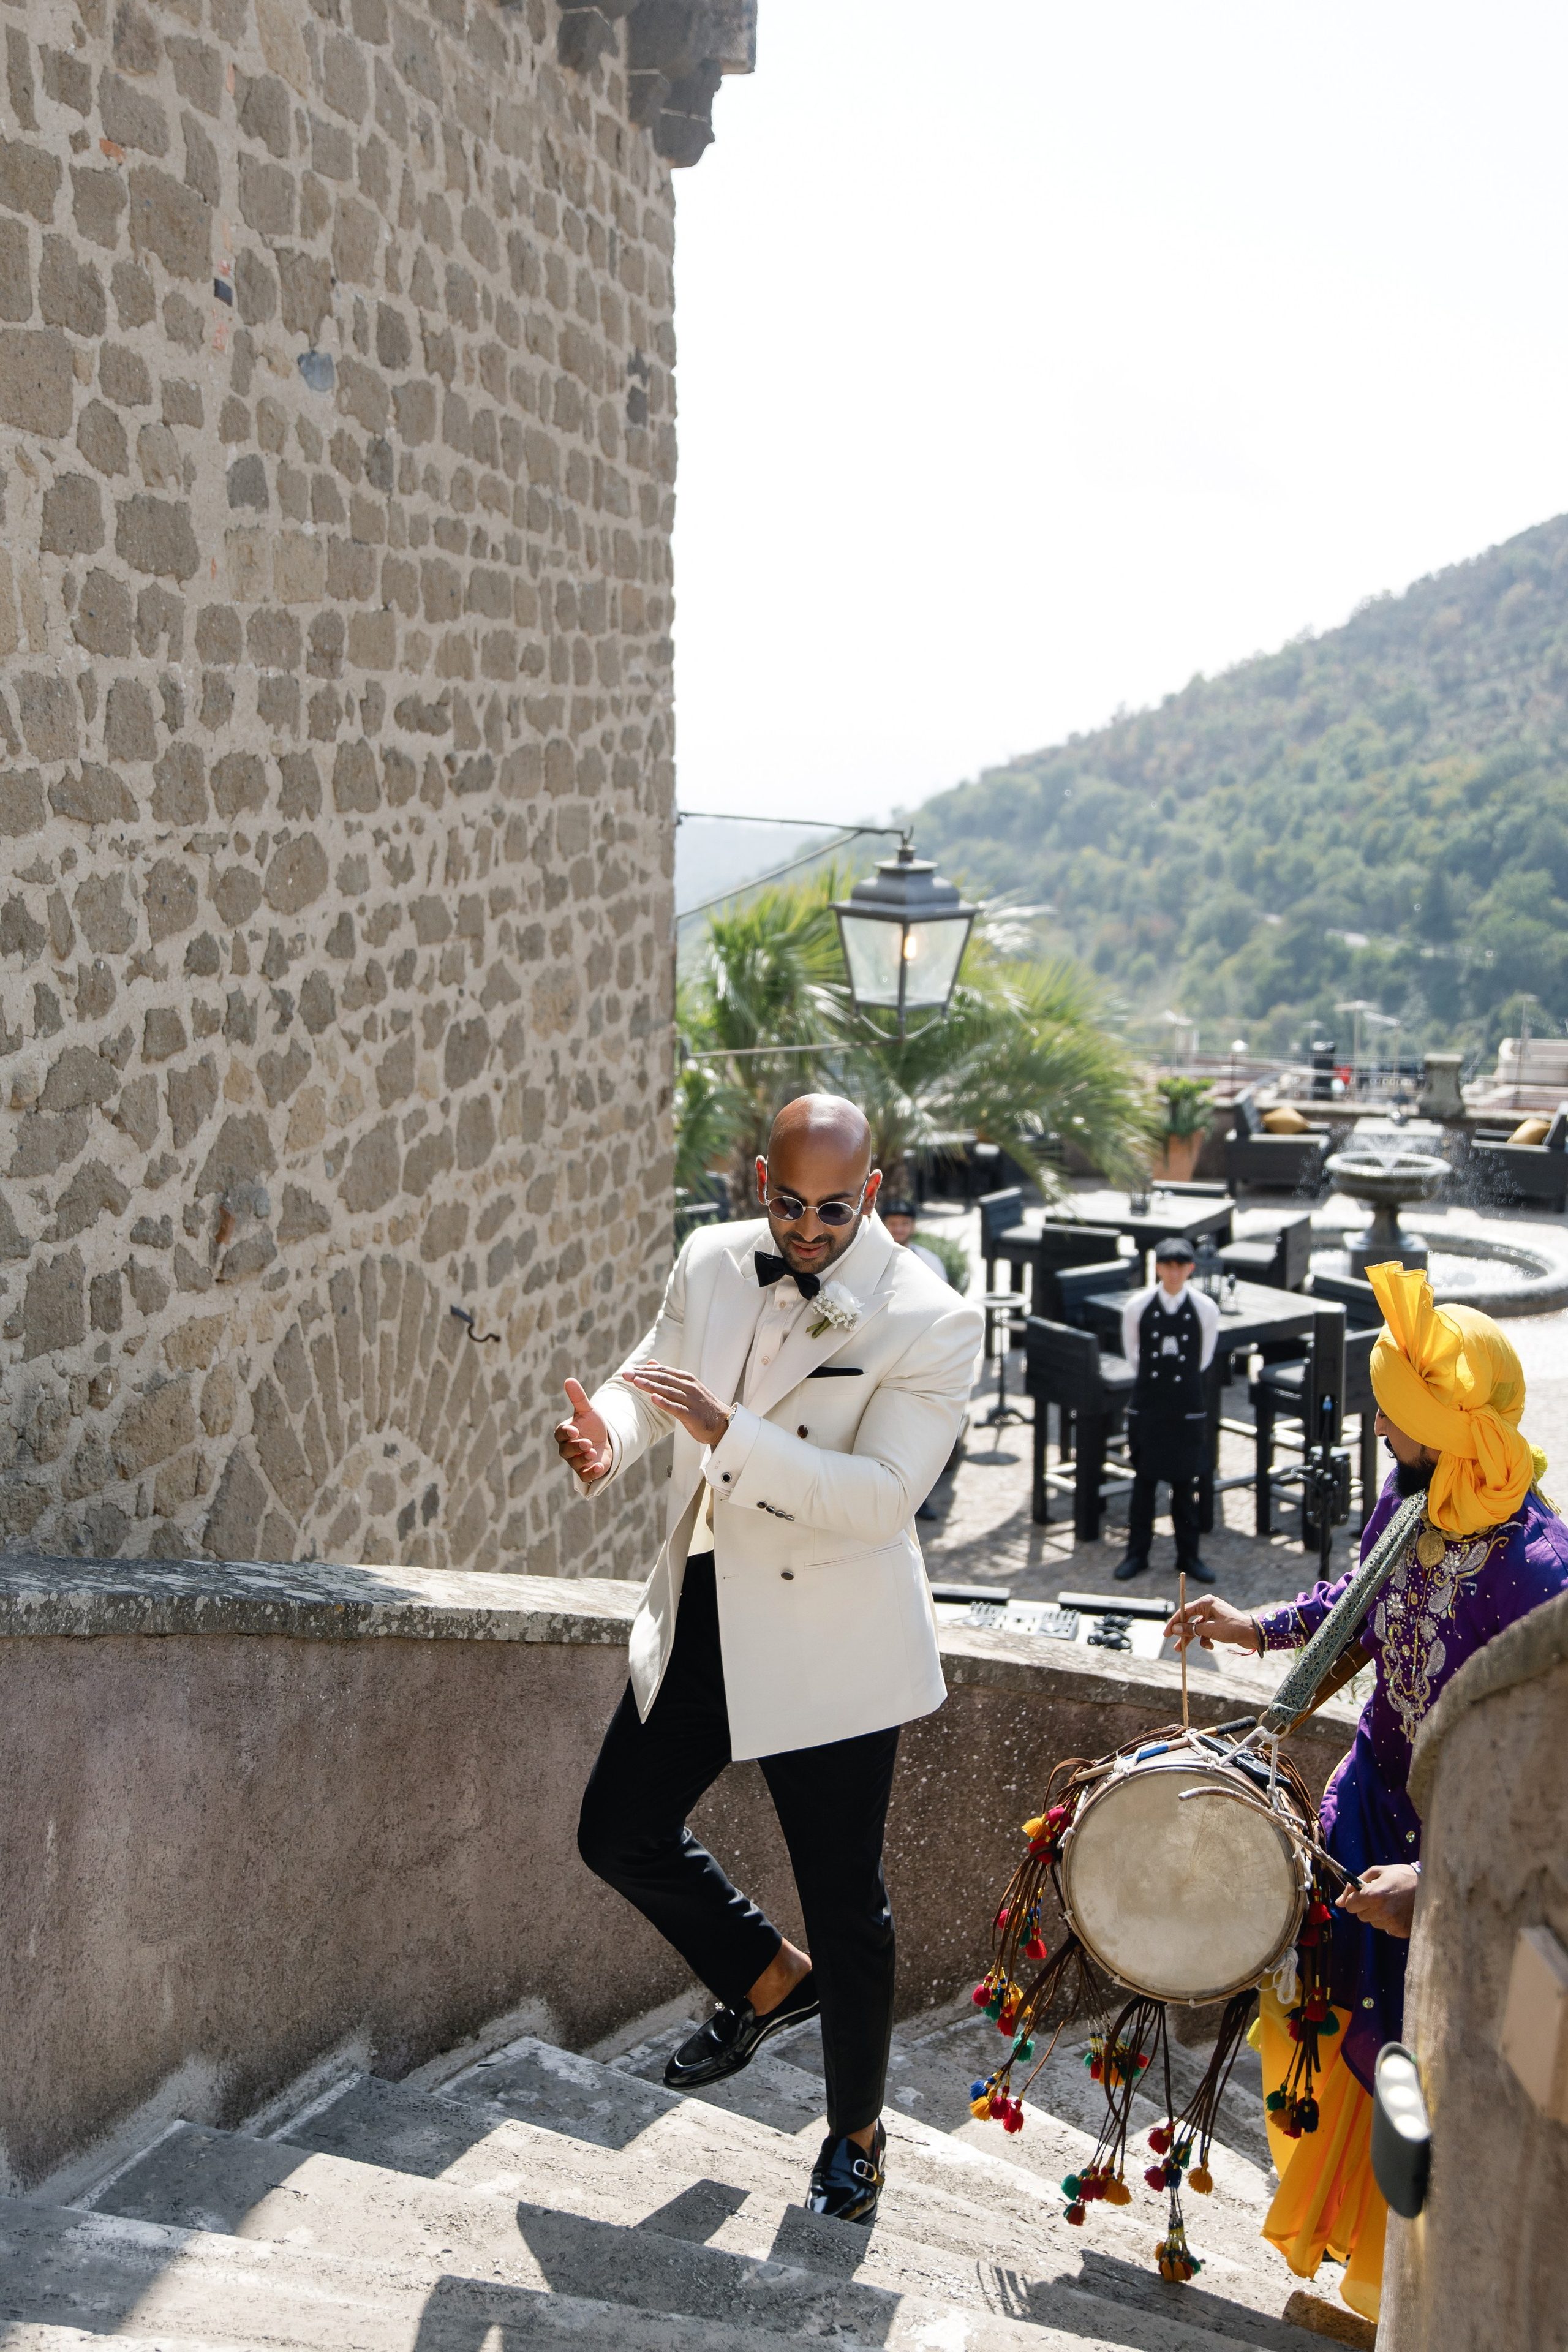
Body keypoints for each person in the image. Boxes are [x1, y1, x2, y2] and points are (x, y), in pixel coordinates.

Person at [556, 1093, 982, 2226]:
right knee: (615, 1831)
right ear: (759, 1183)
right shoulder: (710, 1258)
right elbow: (657, 1376)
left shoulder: (932, 1319)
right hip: (709, 1606)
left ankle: (856, 2134)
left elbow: (883, 1500)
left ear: (873, 1195)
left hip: (835, 1638)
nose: (805, 1229)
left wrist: (728, 1436)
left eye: (831, 1210)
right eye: (787, 1205)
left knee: (849, 1904)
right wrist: (608, 1430)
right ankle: (761, 1976)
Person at [1166, 1262, 1568, 2326]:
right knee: (1333, 2049)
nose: (1379, 1434)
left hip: (1462, 1879)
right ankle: (1360, 2265)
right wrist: (1255, 1629)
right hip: (1362, 1819)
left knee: (1441, 2083)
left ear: (1452, 1426)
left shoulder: (1548, 1582)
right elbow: (1361, 1605)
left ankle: (1417, 2300)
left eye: (1397, 1419)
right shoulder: (1412, 1496)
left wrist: (1435, 1886)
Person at [1114, 1235, 1219, 1585]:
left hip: (1186, 1408)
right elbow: (1134, 1356)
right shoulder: (1137, 1307)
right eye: (1166, 1266)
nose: (1173, 1273)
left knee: (1184, 1487)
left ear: (1190, 1269)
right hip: (1149, 1406)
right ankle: (1136, 1554)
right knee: (1143, 1484)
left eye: (1180, 1266)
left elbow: (1202, 1360)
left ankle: (1189, 1558)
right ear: (1157, 1267)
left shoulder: (1206, 1309)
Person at [879, 1196, 949, 1284]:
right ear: (883, 1226)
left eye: (905, 1224)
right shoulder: (873, 1259)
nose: (898, 1229)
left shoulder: (929, 1261)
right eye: (892, 1224)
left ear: (913, 1226)